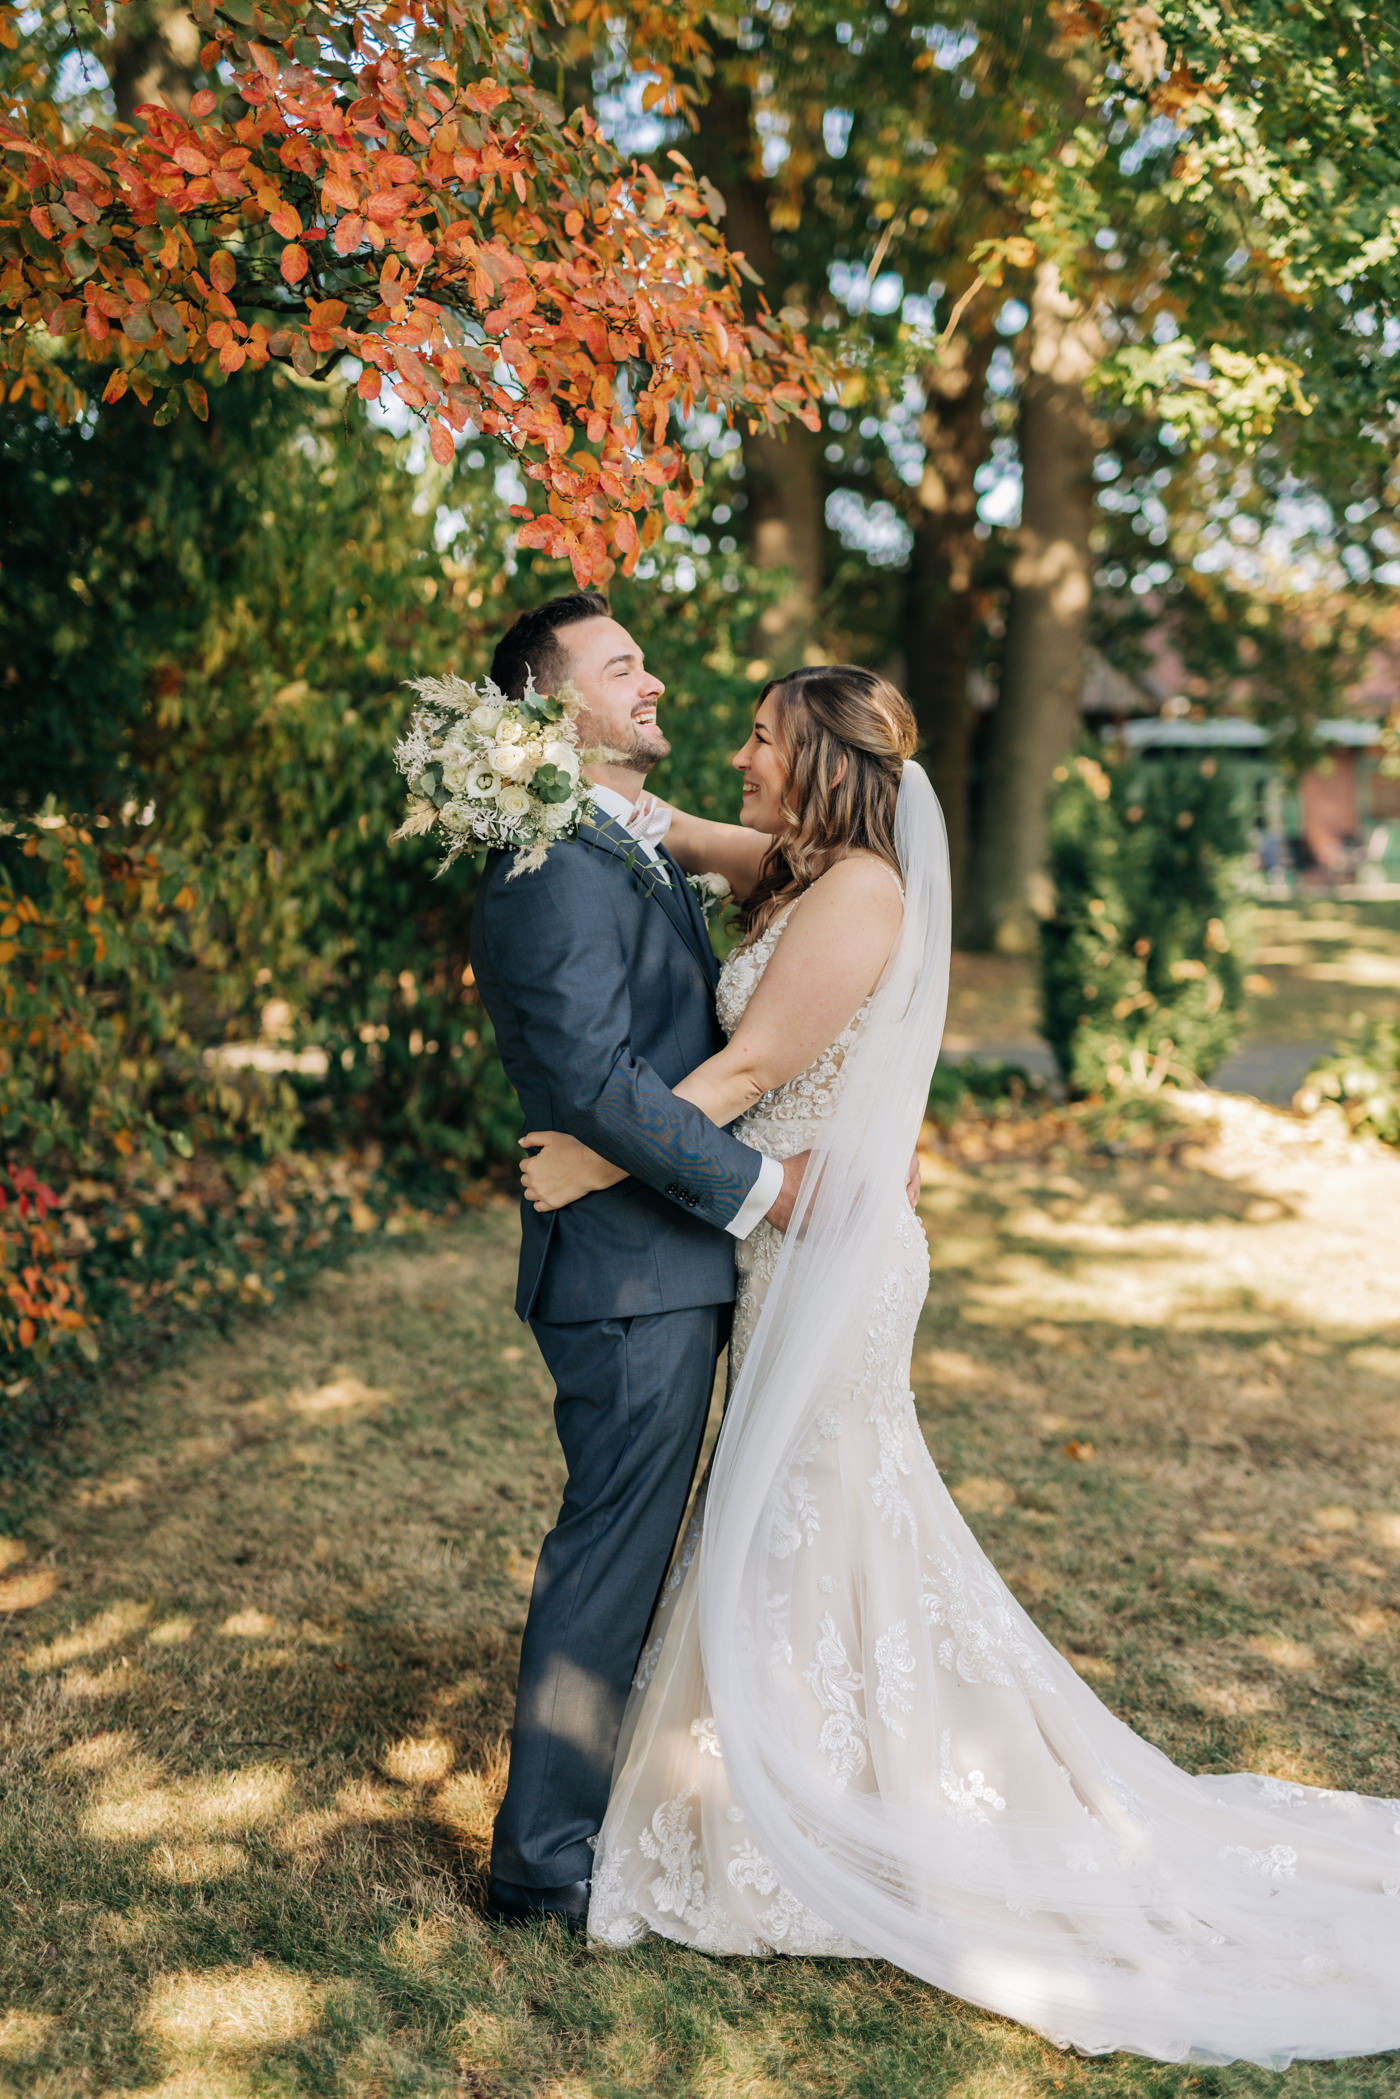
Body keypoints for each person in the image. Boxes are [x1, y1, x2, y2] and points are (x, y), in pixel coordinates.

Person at [517, 663, 1400, 2069]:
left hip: (831, 1253)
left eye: (763, 738)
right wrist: (537, 771)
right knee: (811, 1517)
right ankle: (815, 1764)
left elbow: (745, 1076)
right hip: (786, 1238)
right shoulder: (802, 866)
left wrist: (590, 1157)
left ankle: (831, 1800)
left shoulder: (858, 893)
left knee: (813, 1515)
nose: (742, 755)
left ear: (821, 763)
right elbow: (671, 827)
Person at [468, 591, 806, 1934]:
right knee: (610, 1555)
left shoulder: (620, 841)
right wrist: (765, 1189)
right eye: (623, 668)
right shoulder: (550, 867)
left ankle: (600, 1812)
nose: (653, 682)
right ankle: (542, 1864)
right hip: (624, 1278)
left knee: (636, 1550)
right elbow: (595, 1083)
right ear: (554, 710)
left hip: (664, 1260)